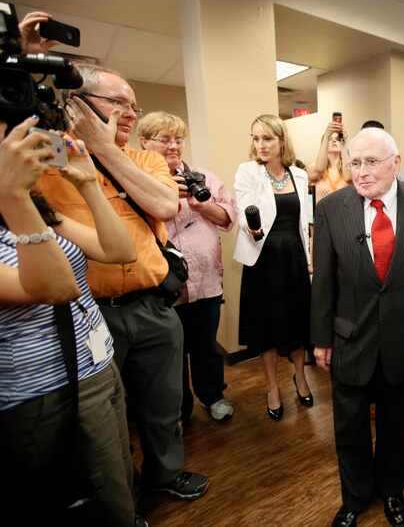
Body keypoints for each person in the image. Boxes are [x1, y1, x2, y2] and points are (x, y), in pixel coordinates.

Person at [33, 59, 209, 499]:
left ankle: (166, 475)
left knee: (163, 405)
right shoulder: (53, 157)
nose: (130, 113)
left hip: (154, 307)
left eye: (134, 106)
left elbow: (166, 206)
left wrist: (105, 147)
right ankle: (120, 491)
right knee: (105, 414)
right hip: (91, 314)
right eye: (118, 103)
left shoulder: (144, 158)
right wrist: (81, 145)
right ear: (79, 105)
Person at [0, 118, 141, 525]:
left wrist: (88, 183)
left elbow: (119, 250)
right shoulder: (20, 209)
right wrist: (11, 195)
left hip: (97, 366)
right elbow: (58, 286)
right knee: (99, 503)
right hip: (43, 392)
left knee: (119, 483)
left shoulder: (42, 215)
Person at [311, 127, 404, 527]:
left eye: (372, 162)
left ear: (396, 163)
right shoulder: (333, 208)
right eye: (355, 163)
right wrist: (320, 339)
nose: (362, 172)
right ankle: (354, 498)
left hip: (402, 341)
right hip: (349, 339)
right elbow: (324, 281)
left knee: (397, 425)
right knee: (349, 427)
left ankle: (392, 491)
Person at [137, 111, 235, 423]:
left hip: (206, 284)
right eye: (164, 139)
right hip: (162, 288)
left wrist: (203, 205)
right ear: (144, 142)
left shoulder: (205, 177)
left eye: (178, 139)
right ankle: (178, 408)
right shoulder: (136, 181)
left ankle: (213, 395)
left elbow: (229, 219)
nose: (174, 145)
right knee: (170, 353)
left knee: (206, 346)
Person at [233, 114, 314, 420]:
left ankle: (300, 377)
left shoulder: (298, 174)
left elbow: (304, 220)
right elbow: (243, 209)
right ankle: (272, 388)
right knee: (266, 327)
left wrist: (308, 258)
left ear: (282, 141)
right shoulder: (248, 172)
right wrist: (251, 229)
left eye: (267, 138)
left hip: (293, 257)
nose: (261, 145)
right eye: (255, 138)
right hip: (263, 259)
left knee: (296, 323)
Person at [310, 121, 351, 201]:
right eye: (330, 139)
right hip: (321, 212)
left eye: (338, 139)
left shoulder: (347, 170)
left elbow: (348, 178)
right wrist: (326, 135)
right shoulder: (314, 167)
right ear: (324, 143)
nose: (334, 141)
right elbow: (318, 171)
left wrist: (344, 143)